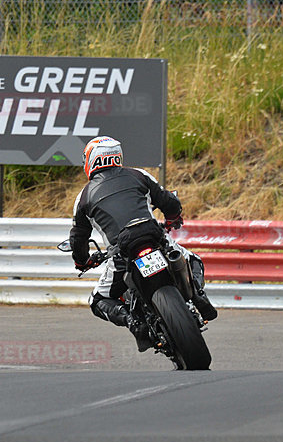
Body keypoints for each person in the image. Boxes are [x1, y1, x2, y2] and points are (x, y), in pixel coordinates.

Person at [69, 136, 217, 352]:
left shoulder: (83, 197)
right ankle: (198, 296)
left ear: (91, 160)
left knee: (98, 299)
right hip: (153, 236)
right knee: (192, 259)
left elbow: (78, 238)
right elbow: (169, 202)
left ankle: (133, 322)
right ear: (116, 156)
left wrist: (82, 261)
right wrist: (173, 217)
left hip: (122, 252)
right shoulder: (139, 175)